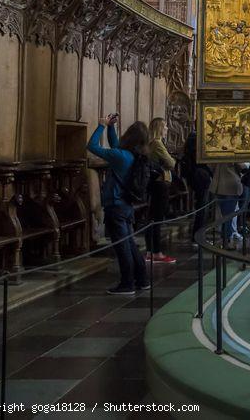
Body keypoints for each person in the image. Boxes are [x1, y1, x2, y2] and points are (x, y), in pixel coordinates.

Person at [87, 114, 151, 295]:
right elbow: (116, 146)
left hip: (116, 204)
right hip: (127, 204)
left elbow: (92, 146)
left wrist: (100, 125)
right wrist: (111, 127)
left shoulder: (121, 156)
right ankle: (142, 279)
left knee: (122, 246)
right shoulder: (134, 155)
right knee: (129, 243)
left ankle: (127, 284)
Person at [145, 118, 177, 264]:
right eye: (165, 127)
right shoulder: (157, 143)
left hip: (156, 183)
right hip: (160, 183)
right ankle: (156, 252)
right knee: (157, 219)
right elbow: (171, 163)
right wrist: (171, 161)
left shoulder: (152, 143)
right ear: (159, 128)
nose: (167, 129)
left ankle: (150, 251)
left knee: (153, 218)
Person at [181, 129, 213, 249]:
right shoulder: (196, 144)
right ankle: (198, 237)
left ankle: (198, 236)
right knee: (203, 208)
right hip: (201, 177)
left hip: (195, 177)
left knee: (201, 207)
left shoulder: (190, 143)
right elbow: (203, 162)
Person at [210, 161, 248, 249]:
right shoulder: (232, 152)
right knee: (228, 216)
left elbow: (212, 165)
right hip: (230, 185)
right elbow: (241, 166)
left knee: (225, 216)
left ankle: (226, 239)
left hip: (218, 184)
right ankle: (227, 241)